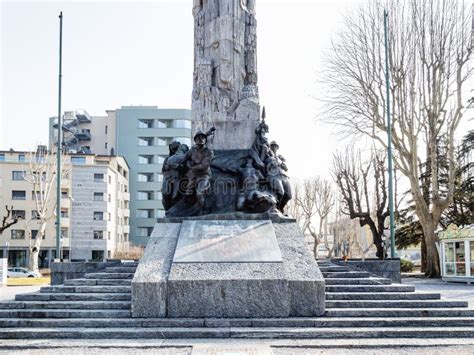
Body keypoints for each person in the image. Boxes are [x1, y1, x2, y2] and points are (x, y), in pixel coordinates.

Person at [184, 128, 215, 207]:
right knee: (188, 193)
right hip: (193, 175)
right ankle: (192, 209)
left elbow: (204, 166)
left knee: (199, 193)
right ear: (195, 141)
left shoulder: (209, 152)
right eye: (198, 138)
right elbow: (184, 158)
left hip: (204, 175)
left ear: (205, 140)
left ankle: (202, 210)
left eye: (203, 138)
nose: (201, 139)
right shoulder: (192, 150)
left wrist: (191, 167)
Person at [268, 140, 292, 213]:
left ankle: (281, 208)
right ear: (270, 147)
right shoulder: (268, 154)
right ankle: (277, 208)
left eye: (275, 146)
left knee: (289, 195)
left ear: (277, 147)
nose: (274, 147)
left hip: (283, 176)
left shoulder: (280, 157)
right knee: (280, 192)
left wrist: (282, 164)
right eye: (272, 146)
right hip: (274, 176)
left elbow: (286, 168)